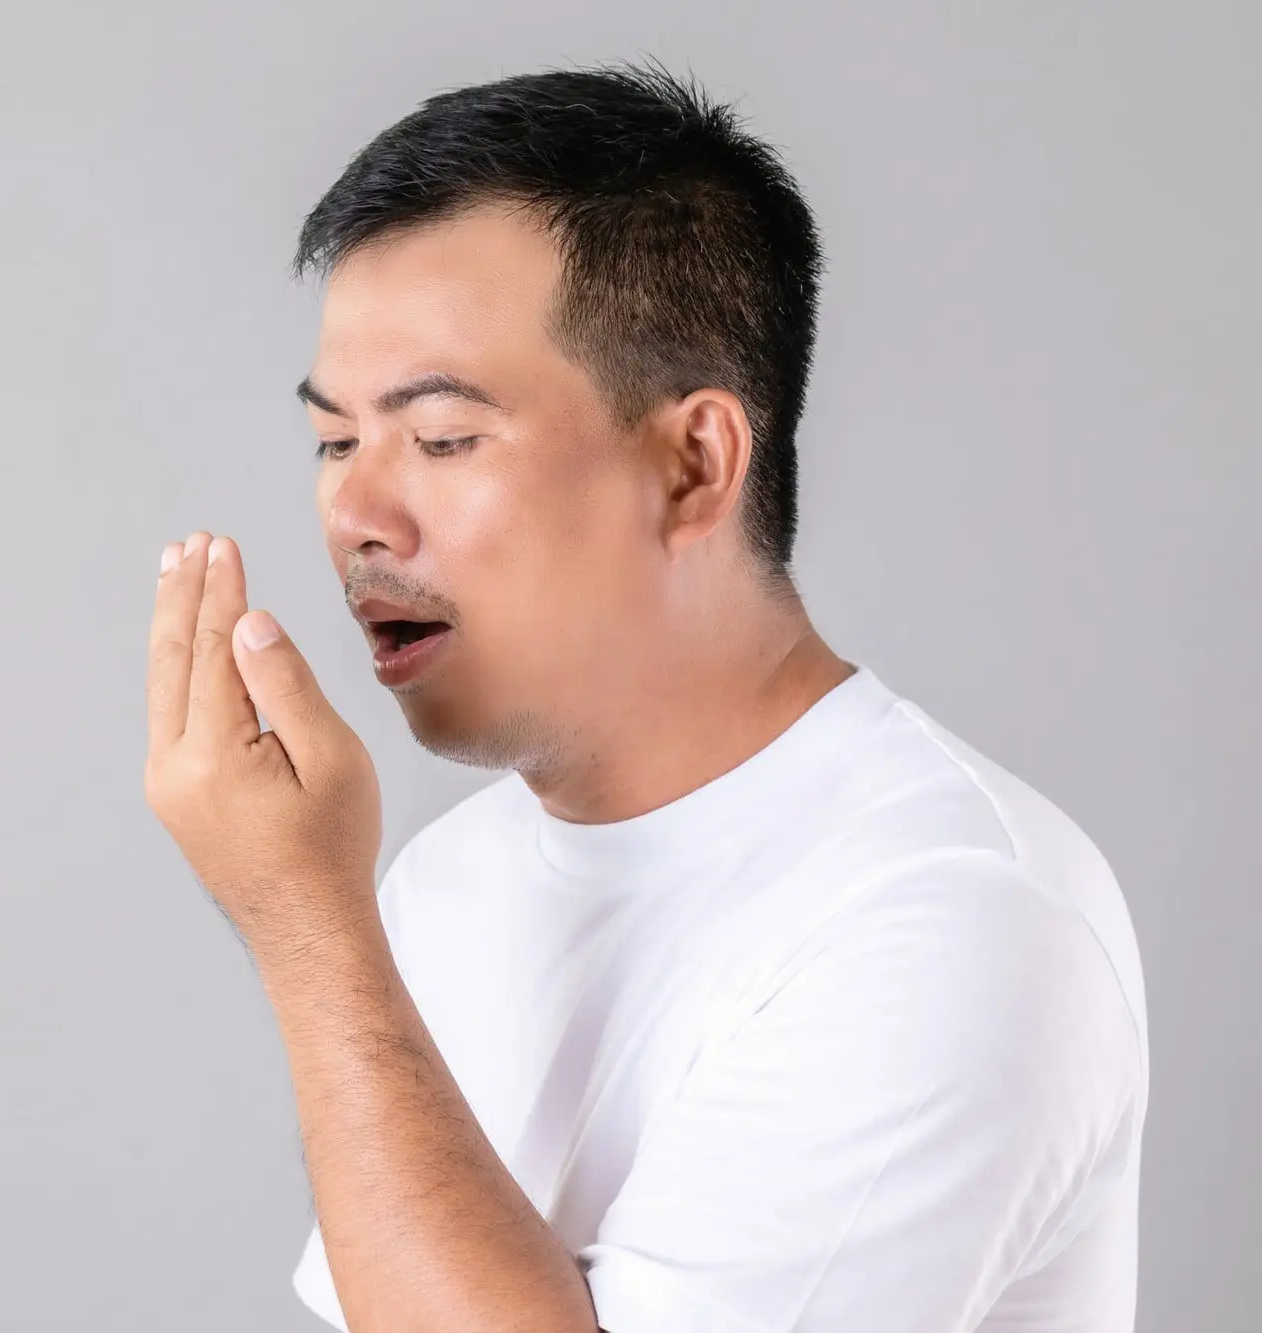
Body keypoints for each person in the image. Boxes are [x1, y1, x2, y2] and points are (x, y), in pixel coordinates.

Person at [141, 59, 1146, 1333]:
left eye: (440, 438)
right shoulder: (447, 880)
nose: (354, 512)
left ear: (691, 464)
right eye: (334, 441)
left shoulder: (951, 914)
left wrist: (305, 923)